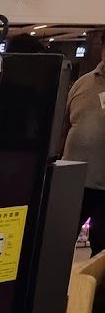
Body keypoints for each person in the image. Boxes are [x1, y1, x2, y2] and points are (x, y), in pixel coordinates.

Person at [62, 42, 105, 256]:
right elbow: (63, 124)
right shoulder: (83, 83)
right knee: (59, 239)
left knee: (101, 246)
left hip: (103, 185)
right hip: (74, 180)